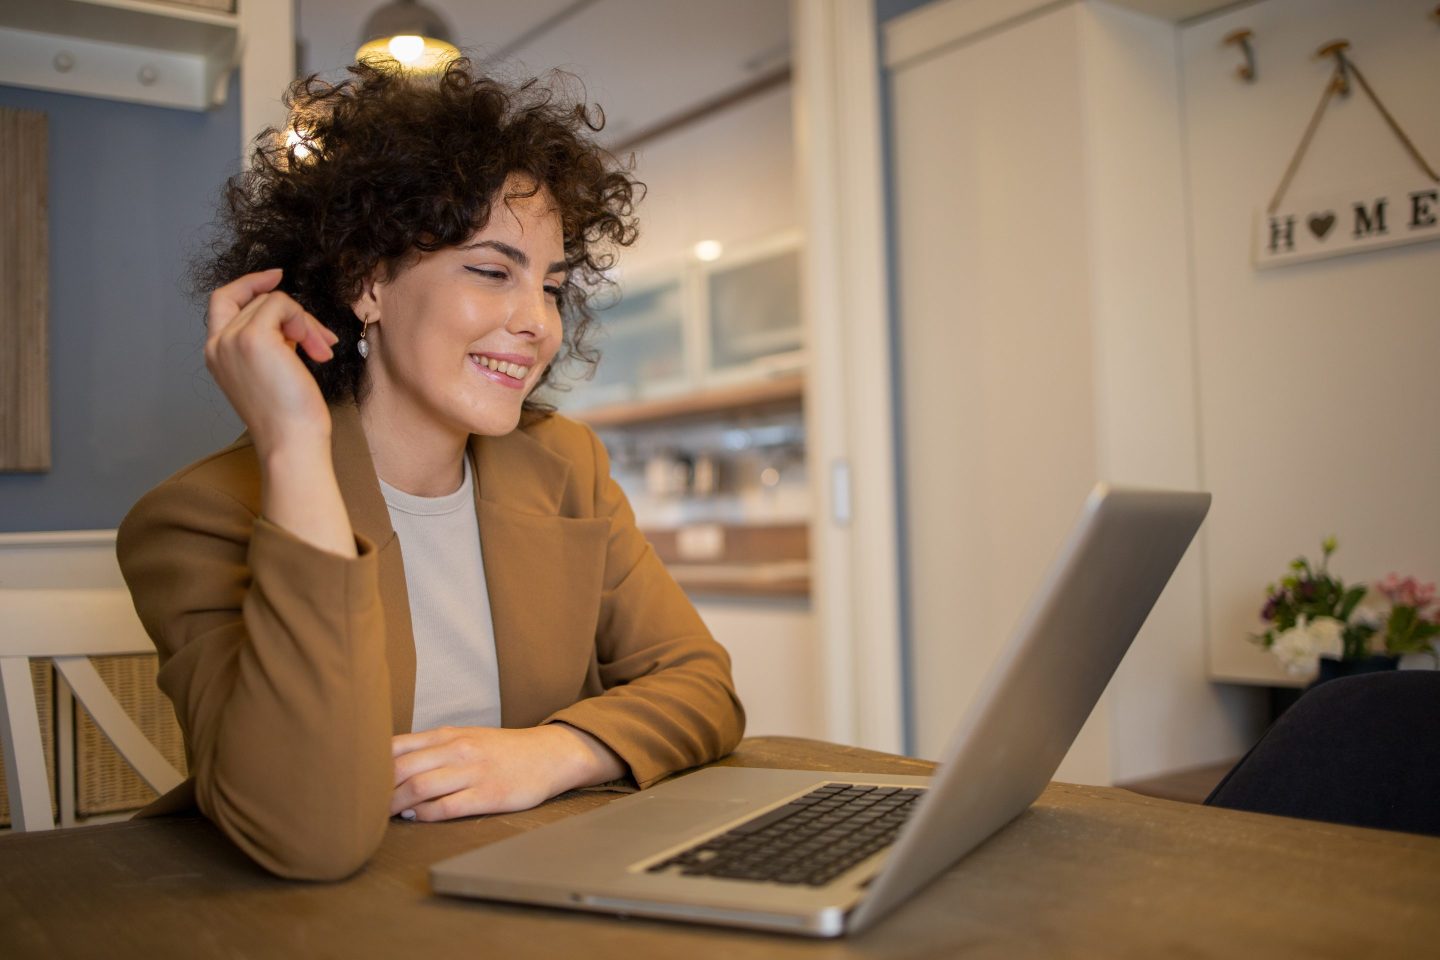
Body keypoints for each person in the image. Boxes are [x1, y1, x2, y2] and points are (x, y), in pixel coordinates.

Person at [116, 60, 746, 881]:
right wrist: (293, 447)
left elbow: (703, 688)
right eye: (491, 271)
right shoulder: (196, 518)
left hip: (541, 886)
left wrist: (554, 753)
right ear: (366, 281)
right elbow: (310, 835)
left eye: (551, 287)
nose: (537, 324)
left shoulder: (565, 466)